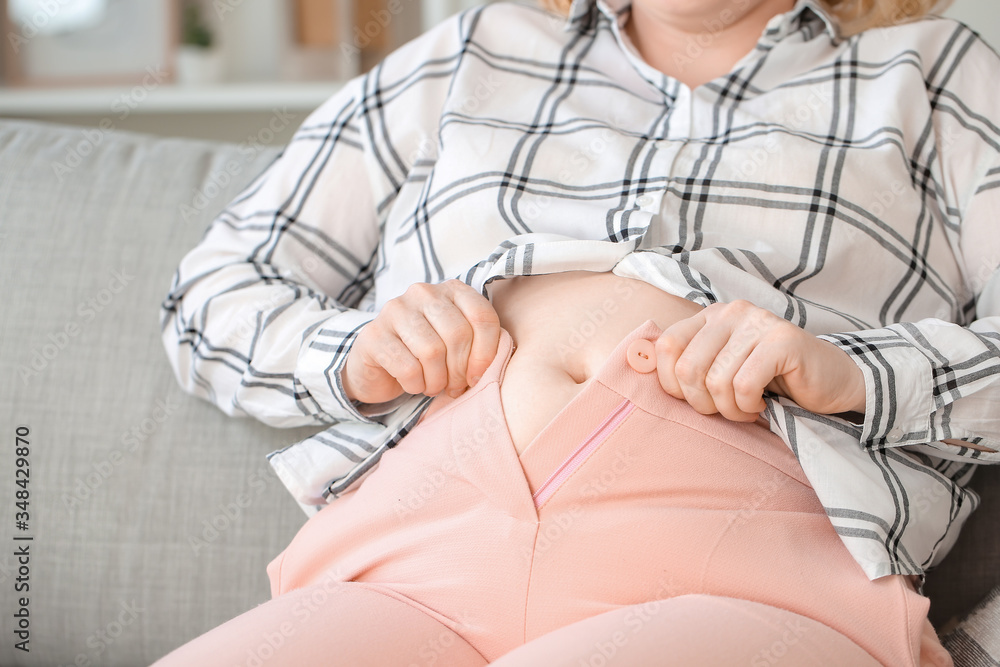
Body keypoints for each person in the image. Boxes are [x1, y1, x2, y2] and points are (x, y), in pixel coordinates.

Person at [155, 0, 1000, 663]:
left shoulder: (935, 69)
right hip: (412, 552)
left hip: (747, 569)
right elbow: (211, 292)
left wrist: (854, 373)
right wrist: (355, 350)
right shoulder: (468, 53)